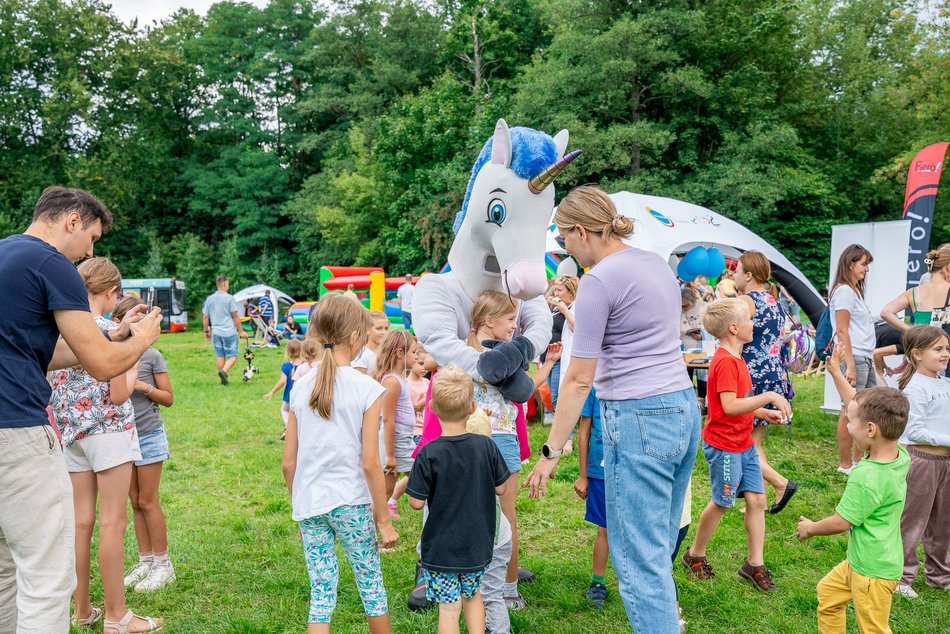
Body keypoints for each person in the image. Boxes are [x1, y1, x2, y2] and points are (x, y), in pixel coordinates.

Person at [524, 184, 701, 633]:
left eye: (564, 237)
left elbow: (579, 378)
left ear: (581, 231)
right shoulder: (654, 264)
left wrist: (551, 452)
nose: (565, 247)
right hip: (682, 407)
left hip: (640, 418)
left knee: (640, 564)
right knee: (658, 549)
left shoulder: (599, 280)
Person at [0, 186, 161, 634]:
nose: (89, 251)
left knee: (4, 570)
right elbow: (103, 367)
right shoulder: (52, 264)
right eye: (91, 238)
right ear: (72, 220)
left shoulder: (6, 256)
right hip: (17, 431)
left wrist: (110, 336)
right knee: (47, 578)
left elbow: (42, 351)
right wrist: (142, 339)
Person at [48, 257, 163, 634]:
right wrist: (133, 350)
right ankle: (117, 616)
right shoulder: (111, 331)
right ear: (113, 292)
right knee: (113, 521)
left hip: (71, 436)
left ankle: (82, 610)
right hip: (109, 432)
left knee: (81, 524)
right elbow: (118, 393)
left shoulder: (61, 332)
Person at [282, 293, 398, 633]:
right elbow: (370, 463)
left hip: (310, 503)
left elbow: (288, 463)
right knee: (371, 584)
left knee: (321, 593)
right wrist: (384, 520)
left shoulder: (300, 387)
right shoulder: (367, 388)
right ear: (356, 336)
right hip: (352, 502)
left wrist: (300, 505)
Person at [680, 298, 790, 593]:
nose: (753, 324)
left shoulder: (737, 357)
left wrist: (760, 412)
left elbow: (737, 403)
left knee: (758, 501)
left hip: (743, 443)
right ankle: (695, 555)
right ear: (733, 328)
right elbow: (729, 406)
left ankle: (754, 565)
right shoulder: (727, 361)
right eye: (748, 320)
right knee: (722, 502)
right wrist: (769, 397)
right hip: (725, 447)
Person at [800, 345, 910, 634]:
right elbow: (856, 405)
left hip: (872, 572)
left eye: (850, 424)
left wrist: (810, 528)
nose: (848, 427)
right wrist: (836, 373)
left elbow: (841, 522)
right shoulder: (899, 453)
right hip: (864, 560)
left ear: (871, 430)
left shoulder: (866, 477)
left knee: (873, 629)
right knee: (828, 595)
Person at [467, 290, 561, 609]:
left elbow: (524, 389)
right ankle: (502, 589)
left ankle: (493, 587)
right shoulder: (486, 355)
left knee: (487, 518)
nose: (513, 326)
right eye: (509, 319)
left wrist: (546, 363)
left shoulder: (468, 352)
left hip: (480, 442)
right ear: (488, 320)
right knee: (501, 520)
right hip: (492, 442)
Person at [407, 365, 510, 634]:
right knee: (473, 597)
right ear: (472, 407)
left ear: (431, 407)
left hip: (441, 549)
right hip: (477, 545)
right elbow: (502, 489)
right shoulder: (486, 446)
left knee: (449, 609)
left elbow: (416, 503)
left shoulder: (427, 453)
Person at [110, 297, 176, 595]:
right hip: (123, 436)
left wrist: (144, 387)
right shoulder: (112, 353)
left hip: (148, 434)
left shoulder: (152, 356)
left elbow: (168, 398)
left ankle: (163, 564)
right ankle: (145, 561)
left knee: (148, 501)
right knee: (134, 501)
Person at [734, 251, 797, 514]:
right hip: (774, 375)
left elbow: (736, 338)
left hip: (753, 376)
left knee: (743, 443)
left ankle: (780, 483)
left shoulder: (746, 301)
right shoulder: (774, 299)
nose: (734, 275)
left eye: (737, 270)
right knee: (754, 442)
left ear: (748, 275)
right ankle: (757, 500)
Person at [892, 326, 950, 598]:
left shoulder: (945, 383)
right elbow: (914, 432)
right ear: (917, 354)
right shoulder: (915, 388)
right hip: (923, 463)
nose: (945, 354)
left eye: (947, 348)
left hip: (946, 463)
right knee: (913, 521)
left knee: (942, 523)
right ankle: (901, 577)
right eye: (938, 349)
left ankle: (939, 575)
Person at [829, 244, 876, 475]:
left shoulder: (854, 291)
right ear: (850, 264)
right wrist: (850, 365)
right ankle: (846, 464)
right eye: (864, 264)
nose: (866, 269)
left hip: (863, 355)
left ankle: (857, 461)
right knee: (850, 409)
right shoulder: (845, 291)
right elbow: (842, 330)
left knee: (865, 410)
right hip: (854, 356)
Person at [572, 388, 610, 609]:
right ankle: (598, 583)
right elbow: (584, 432)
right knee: (604, 529)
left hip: (630, 471)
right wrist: (583, 475)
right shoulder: (594, 389)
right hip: (600, 471)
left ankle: (635, 580)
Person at [373, 330, 418, 506]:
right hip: (395, 441)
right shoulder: (391, 381)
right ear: (400, 353)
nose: (416, 356)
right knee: (385, 491)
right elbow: (388, 420)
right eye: (413, 352)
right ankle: (373, 521)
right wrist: (390, 456)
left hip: (403, 439)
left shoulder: (399, 379)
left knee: (422, 480)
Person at [881, 247, 950, 335]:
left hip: (921, 341)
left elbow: (885, 312)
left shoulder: (913, 292)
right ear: (949, 267)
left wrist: (910, 330)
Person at [202, 276, 248, 385]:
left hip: (216, 332)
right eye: (228, 284)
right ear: (224, 284)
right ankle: (224, 371)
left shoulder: (210, 299)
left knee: (220, 355)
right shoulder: (229, 298)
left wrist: (206, 331)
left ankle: (223, 380)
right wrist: (241, 331)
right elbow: (235, 316)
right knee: (233, 355)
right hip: (229, 332)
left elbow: (205, 317)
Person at [544, 276, 577, 411]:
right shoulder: (556, 309)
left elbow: (576, 328)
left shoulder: (574, 307)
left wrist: (564, 310)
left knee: (558, 398)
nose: (556, 293)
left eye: (559, 290)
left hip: (562, 358)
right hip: (551, 357)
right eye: (555, 290)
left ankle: (564, 425)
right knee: (554, 397)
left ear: (571, 293)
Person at [264, 338, 304, 438]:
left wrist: (272, 392)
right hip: (303, 395)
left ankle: (288, 427)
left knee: (285, 410)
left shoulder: (286, 366)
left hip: (289, 396)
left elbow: (282, 381)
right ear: (301, 350)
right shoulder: (305, 365)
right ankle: (300, 430)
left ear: (288, 352)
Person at [680, 287, 708, 411]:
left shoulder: (704, 307)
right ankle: (690, 404)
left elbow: (710, 326)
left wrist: (703, 335)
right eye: (682, 306)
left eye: (686, 306)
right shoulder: (679, 310)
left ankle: (703, 405)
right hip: (687, 350)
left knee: (703, 379)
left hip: (703, 349)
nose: (684, 308)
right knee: (687, 378)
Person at [353, 311, 389, 375]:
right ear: (367, 330)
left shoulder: (388, 352)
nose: (384, 332)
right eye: (379, 328)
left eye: (386, 328)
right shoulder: (362, 355)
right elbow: (358, 379)